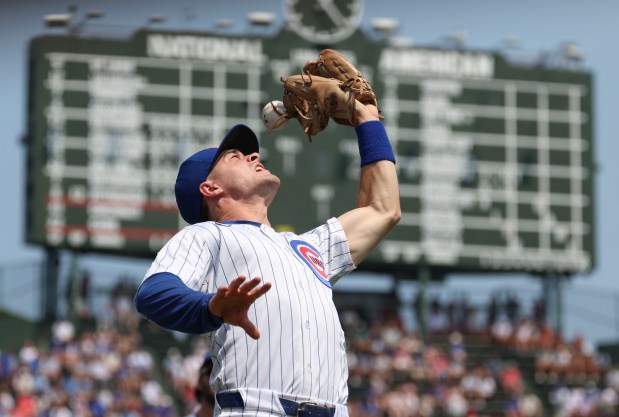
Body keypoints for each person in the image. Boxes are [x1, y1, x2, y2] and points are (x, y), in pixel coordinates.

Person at [135, 98, 400, 417]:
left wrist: (367, 120)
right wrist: (212, 308)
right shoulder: (207, 235)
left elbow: (383, 209)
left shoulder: (308, 247)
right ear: (210, 188)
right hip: (256, 409)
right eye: (236, 156)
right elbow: (153, 293)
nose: (254, 156)